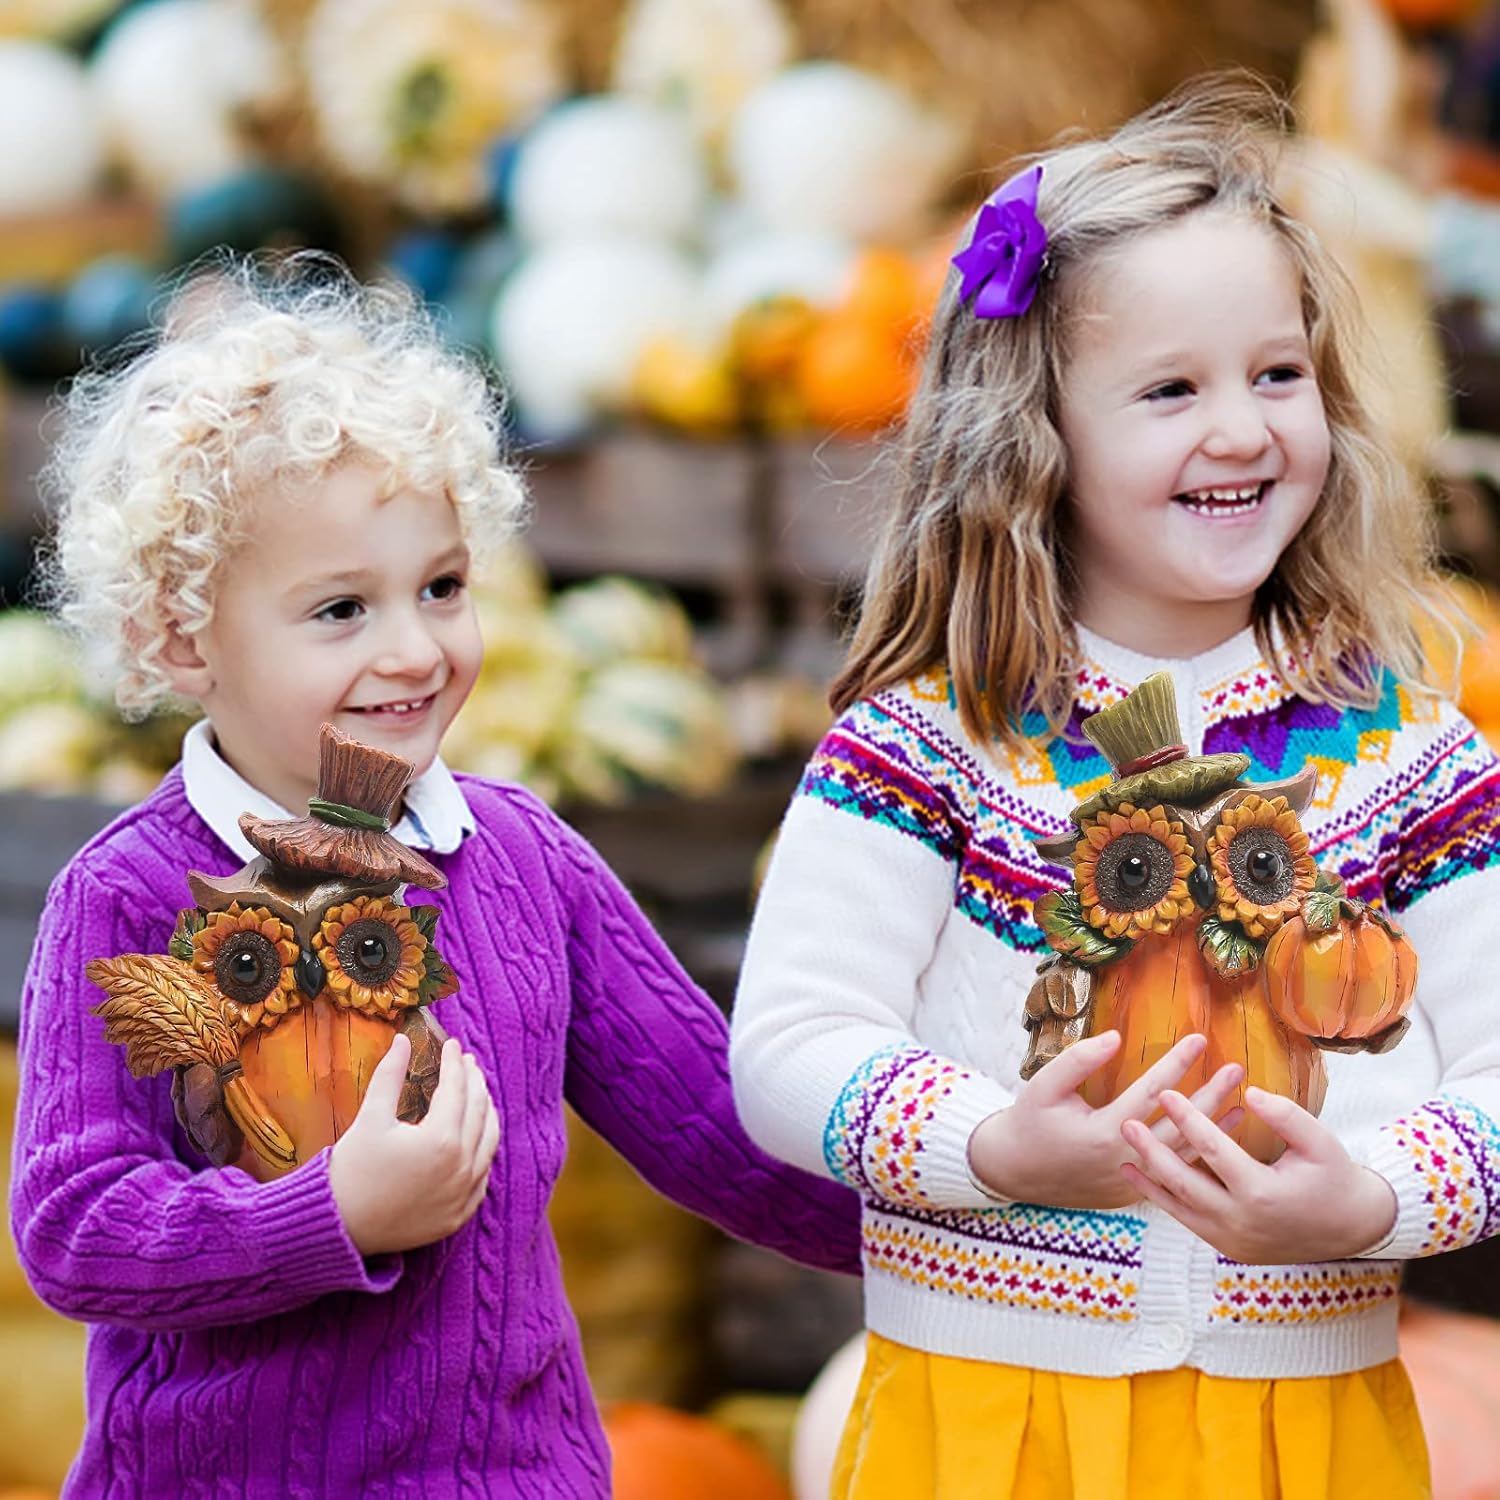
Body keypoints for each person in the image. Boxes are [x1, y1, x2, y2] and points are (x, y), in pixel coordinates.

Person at [732, 74, 1499, 1499]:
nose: (1242, 429)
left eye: (1278, 374)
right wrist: (992, 1143)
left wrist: (1378, 1191)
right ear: (1037, 441)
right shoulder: (932, 748)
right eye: (1170, 389)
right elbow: (786, 1043)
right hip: (987, 1418)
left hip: (1301, 1432)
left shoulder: (1414, 762)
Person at [9, 257, 860, 1498]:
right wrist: (330, 1213)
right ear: (184, 638)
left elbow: (720, 1130)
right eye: (341, 610)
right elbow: (77, 1226)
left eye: (443, 587)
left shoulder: (521, 862)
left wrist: (975, 1209)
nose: (414, 649)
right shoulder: (131, 897)